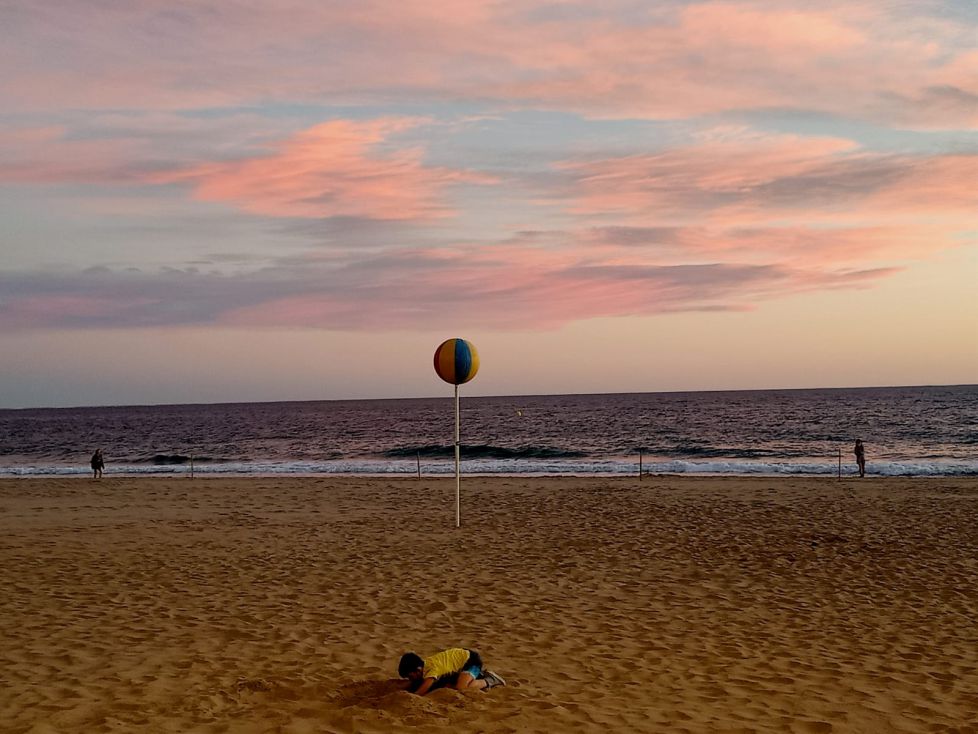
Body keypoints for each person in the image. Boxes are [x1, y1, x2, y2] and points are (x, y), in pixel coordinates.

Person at [398, 648, 505, 695]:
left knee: (461, 688)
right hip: (459, 663)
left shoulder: (432, 670)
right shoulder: (425, 664)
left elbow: (421, 691)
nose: (411, 679)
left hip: (471, 661)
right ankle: (475, 677)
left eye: (411, 676)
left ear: (418, 670)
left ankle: (489, 679)